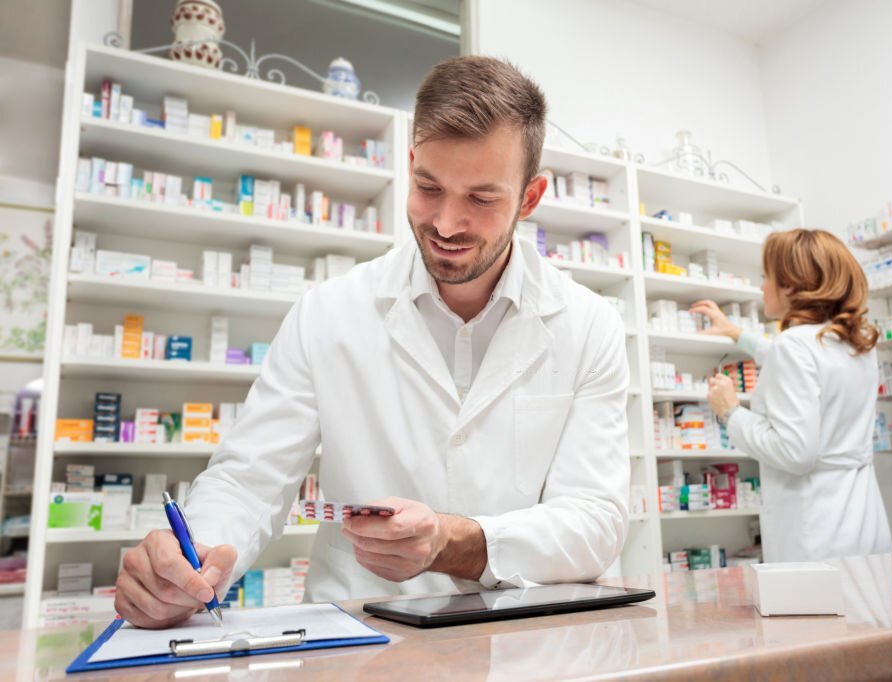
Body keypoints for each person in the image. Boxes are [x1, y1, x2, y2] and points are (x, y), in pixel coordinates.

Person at [114, 56, 630, 629]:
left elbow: (597, 520)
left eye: (482, 199)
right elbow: (250, 478)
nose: (448, 224)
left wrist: (455, 540)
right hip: (362, 633)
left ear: (530, 198)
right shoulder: (328, 312)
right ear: (410, 165)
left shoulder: (588, 324)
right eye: (429, 187)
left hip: (524, 639)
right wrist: (192, 562)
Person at [691, 228, 892, 563]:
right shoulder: (856, 342)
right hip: (862, 522)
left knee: (816, 616)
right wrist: (735, 332)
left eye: (765, 276)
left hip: (815, 531)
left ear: (789, 284)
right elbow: (807, 366)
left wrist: (731, 412)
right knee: (867, 612)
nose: (762, 286)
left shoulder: (794, 345)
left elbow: (794, 452)